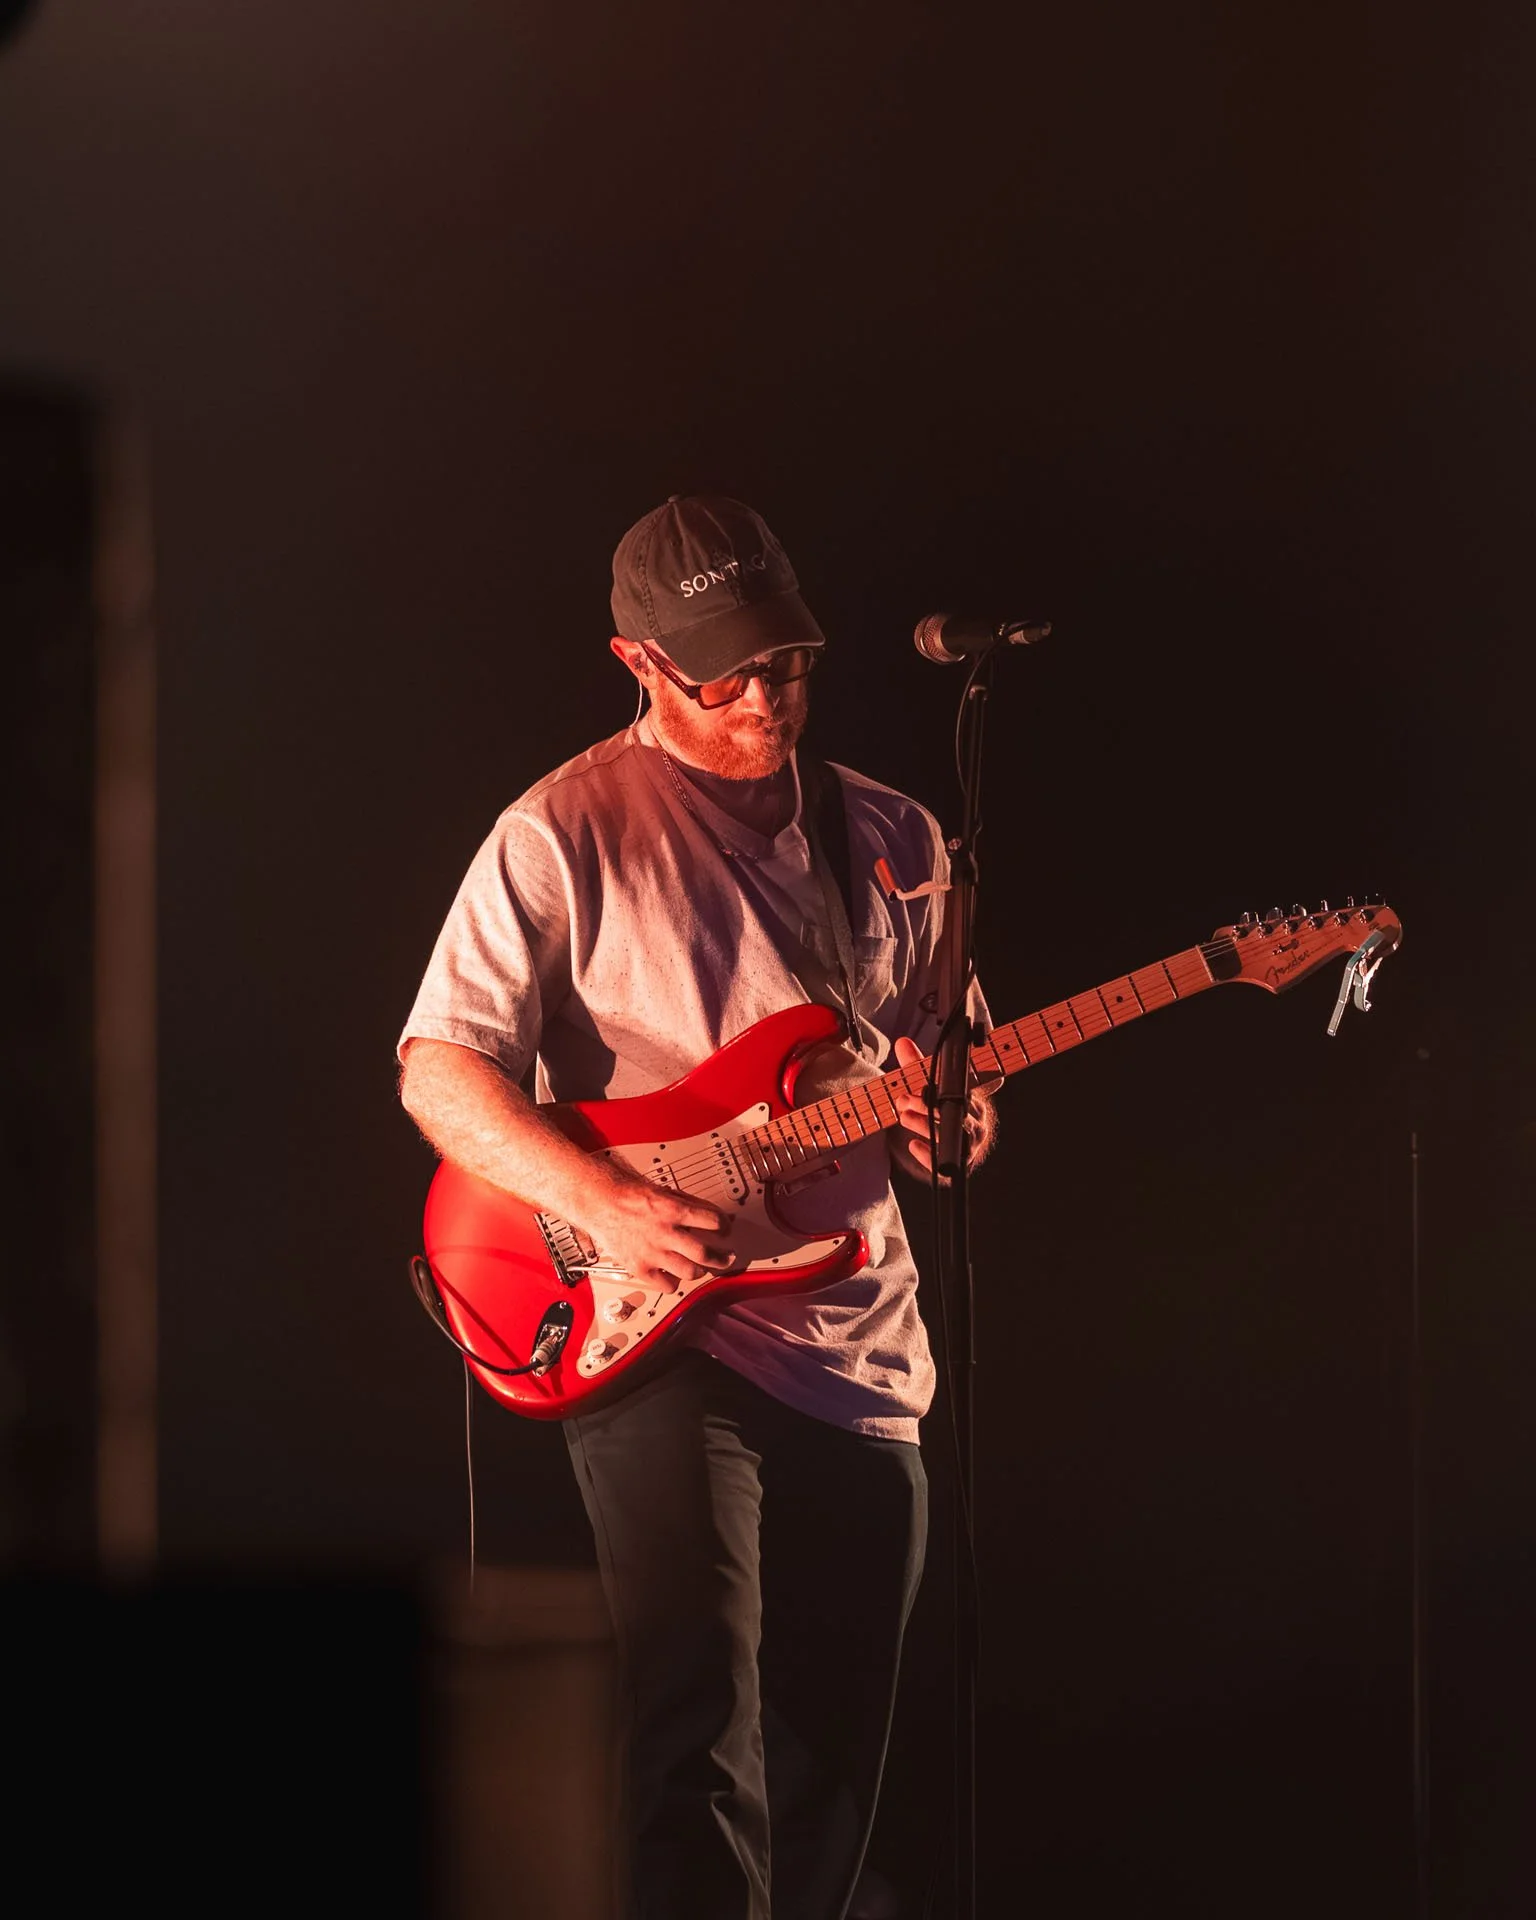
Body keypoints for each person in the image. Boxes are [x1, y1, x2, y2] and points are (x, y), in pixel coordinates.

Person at [396, 493, 997, 1920]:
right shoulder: (561, 829)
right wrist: (601, 1199)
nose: (766, 700)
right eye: (726, 675)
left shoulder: (895, 833)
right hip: (661, 1321)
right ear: (640, 663)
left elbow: (950, 1072)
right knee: (697, 1725)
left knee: (835, 1758)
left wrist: (957, 1122)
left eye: (785, 663)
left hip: (860, 1337)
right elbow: (439, 1069)